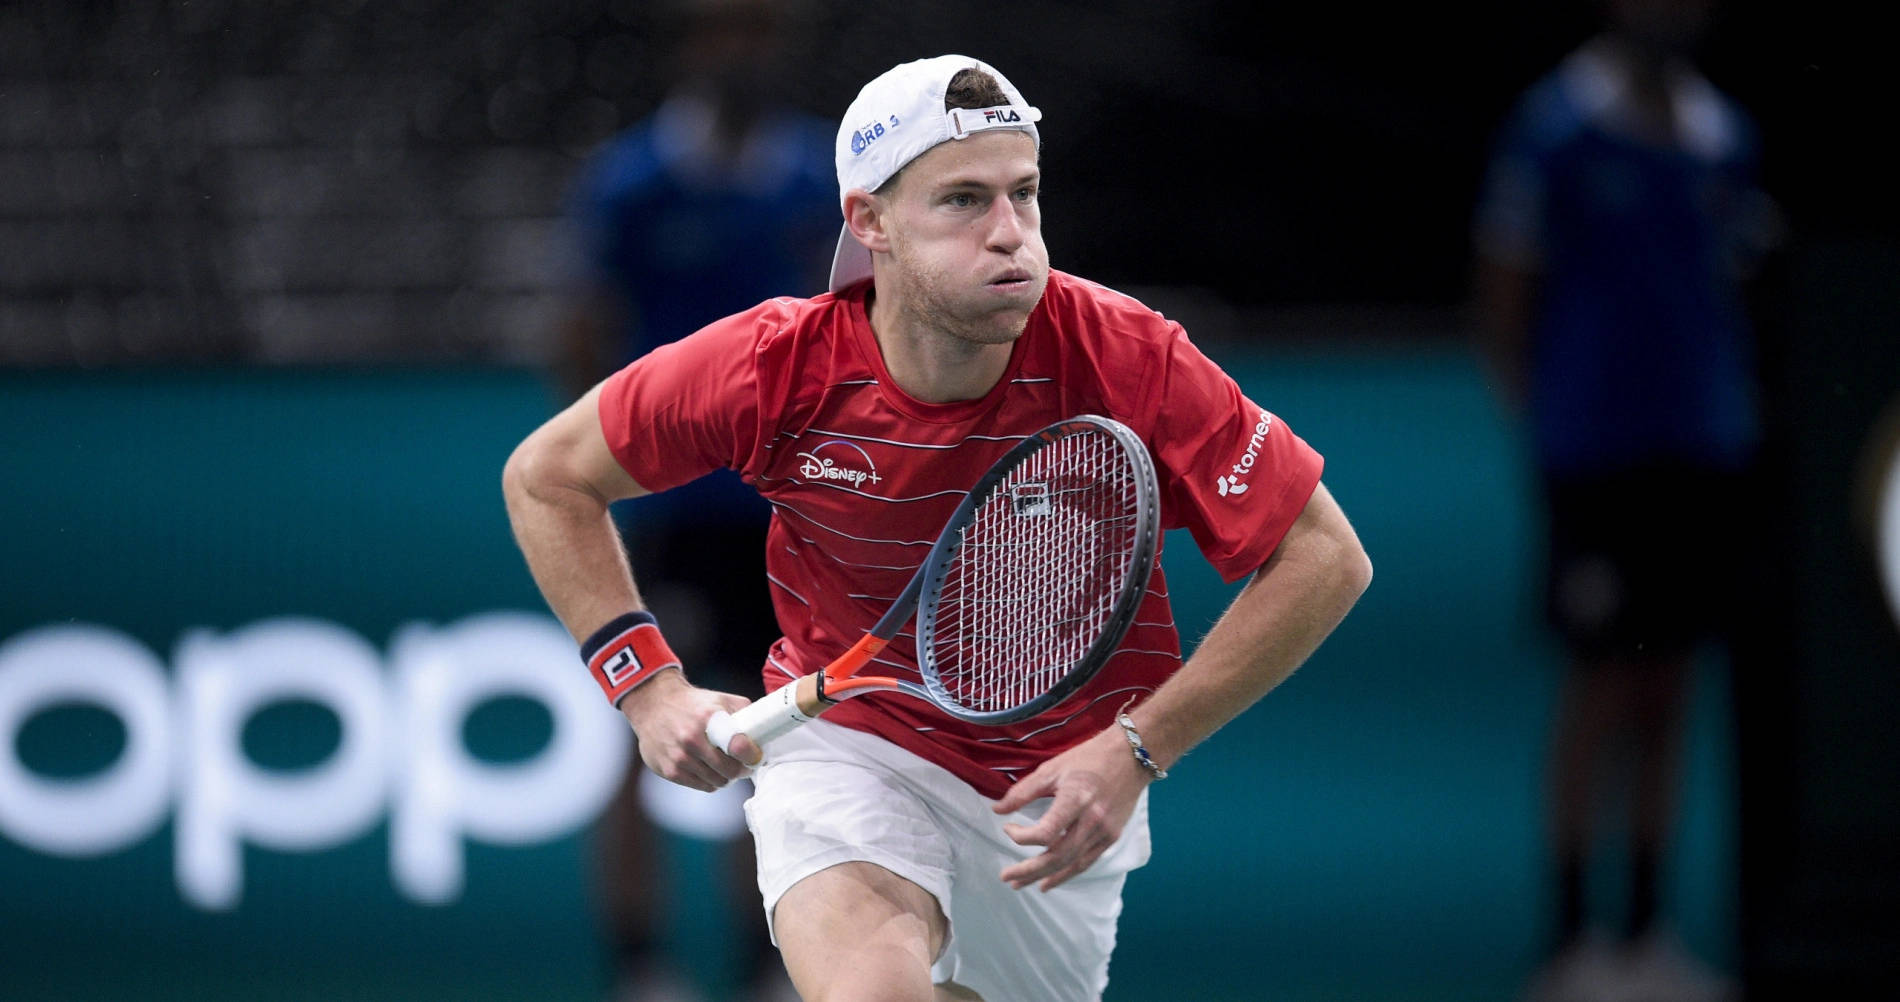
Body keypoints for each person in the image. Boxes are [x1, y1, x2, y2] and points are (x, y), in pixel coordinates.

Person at [506, 54, 1372, 1001]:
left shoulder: (1128, 355)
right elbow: (548, 478)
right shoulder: (773, 366)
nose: (1011, 235)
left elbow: (1325, 557)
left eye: (1025, 193)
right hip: (850, 745)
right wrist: (648, 693)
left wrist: (1139, 746)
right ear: (870, 221)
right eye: (963, 201)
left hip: (1055, 801)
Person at [1471, 1, 1779, 999]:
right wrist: (1546, 425)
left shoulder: (1724, 136)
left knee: (1672, 688)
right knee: (1601, 688)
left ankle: (1646, 933)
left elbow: (1732, 283)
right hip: (1593, 456)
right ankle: (1569, 945)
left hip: (1700, 449)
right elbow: (1507, 289)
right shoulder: (1554, 130)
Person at [553, 2, 835, 999]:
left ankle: (767, 964)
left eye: (759, 29)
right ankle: (640, 964)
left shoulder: (819, 181)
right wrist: (610, 465)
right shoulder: (629, 184)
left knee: (780, 747)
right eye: (723, 29)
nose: (741, 50)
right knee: (638, 734)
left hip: (785, 523)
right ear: (690, 43)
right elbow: (583, 329)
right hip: (665, 522)